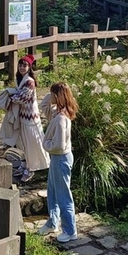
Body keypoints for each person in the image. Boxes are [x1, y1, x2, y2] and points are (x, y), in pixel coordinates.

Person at [38, 81, 77, 242]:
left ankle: (70, 231)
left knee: (63, 195)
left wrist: (45, 144)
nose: (50, 96)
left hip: (60, 158)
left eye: (52, 93)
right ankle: (53, 222)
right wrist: (56, 93)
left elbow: (59, 146)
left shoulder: (61, 118)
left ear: (58, 96)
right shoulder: (58, 112)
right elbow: (43, 105)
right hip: (58, 158)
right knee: (53, 192)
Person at [14, 54, 50, 183]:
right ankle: (25, 163)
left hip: (30, 118)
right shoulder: (19, 79)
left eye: (25, 66)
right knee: (22, 142)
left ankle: (31, 168)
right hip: (22, 116)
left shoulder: (30, 81)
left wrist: (9, 97)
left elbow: (22, 98)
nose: (22, 67)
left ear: (29, 68)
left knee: (32, 143)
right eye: (20, 65)